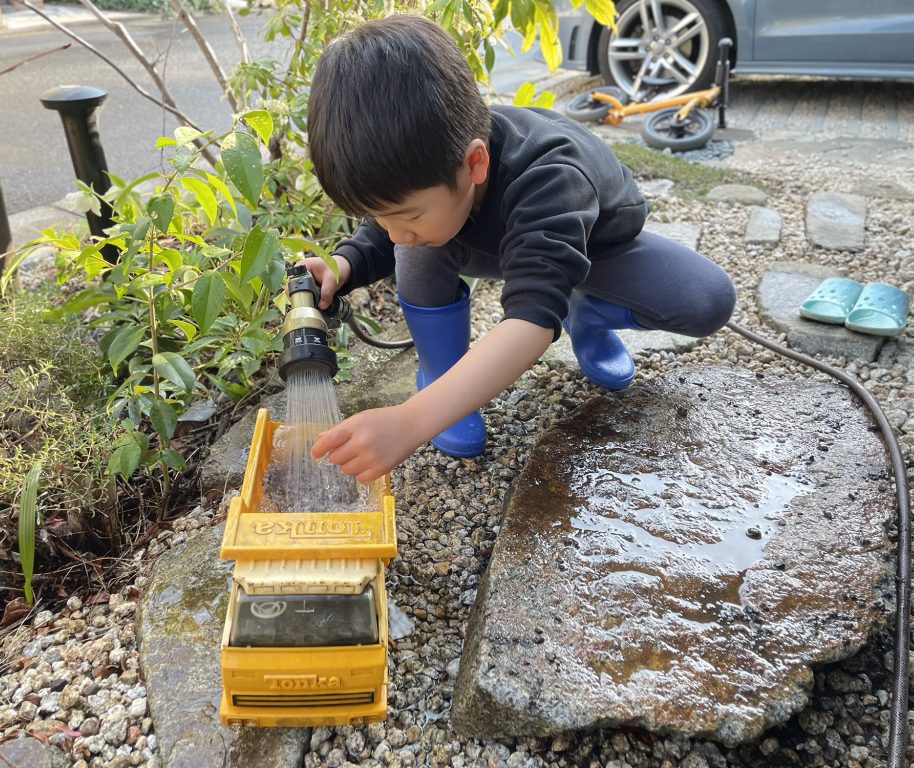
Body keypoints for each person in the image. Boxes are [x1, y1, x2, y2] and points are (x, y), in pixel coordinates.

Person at [302, 14, 736, 483]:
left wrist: (411, 421)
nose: (393, 232)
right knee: (418, 247)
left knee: (706, 299)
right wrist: (344, 264)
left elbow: (530, 324)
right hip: (487, 239)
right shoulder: (430, 171)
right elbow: (389, 224)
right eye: (381, 216)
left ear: (475, 163)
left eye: (405, 215)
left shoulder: (550, 176)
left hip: (593, 248)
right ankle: (440, 373)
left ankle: (586, 311)